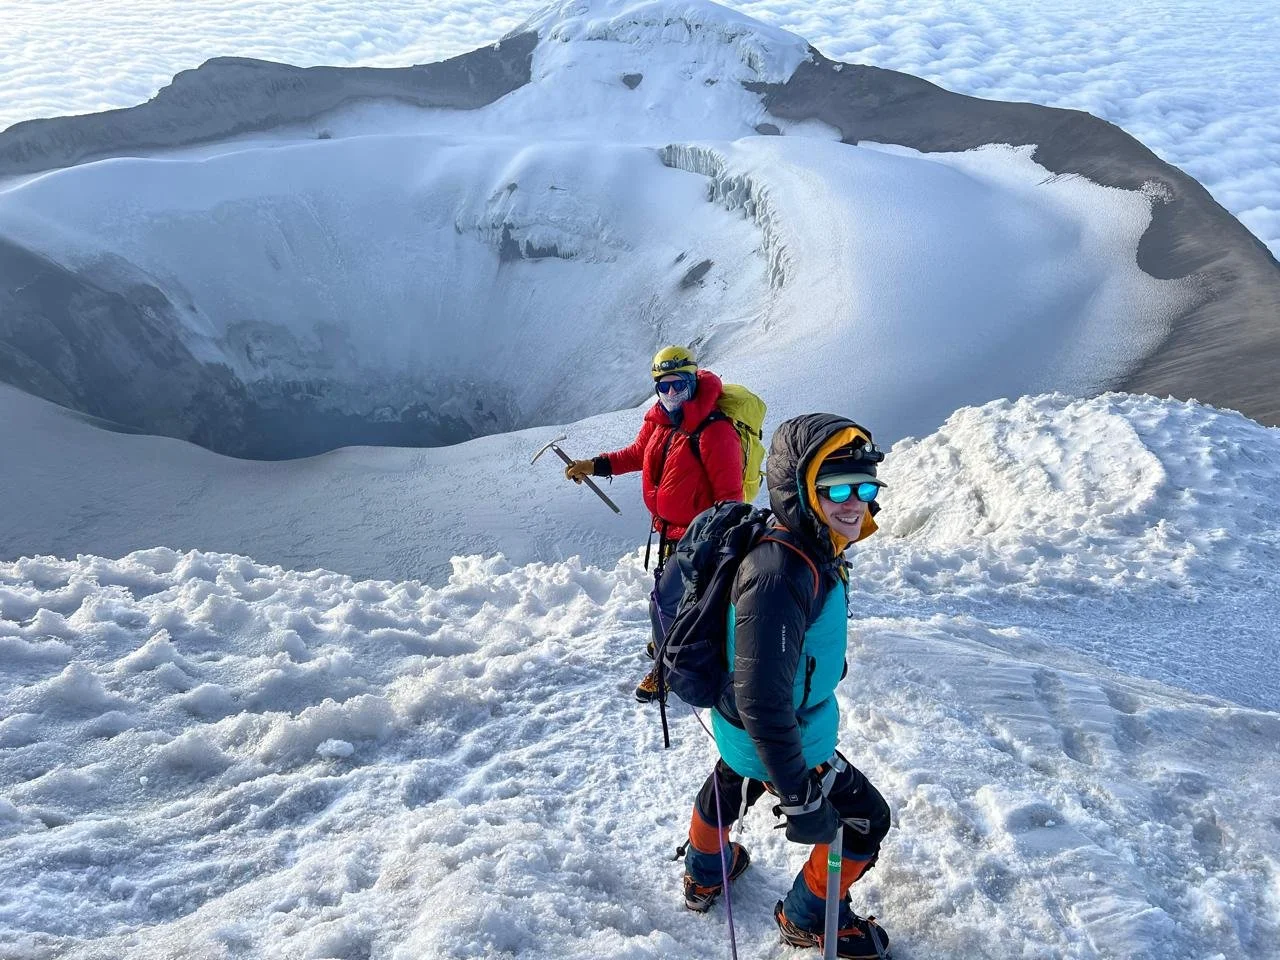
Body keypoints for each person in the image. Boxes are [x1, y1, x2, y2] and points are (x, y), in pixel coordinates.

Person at [679, 413, 893, 959]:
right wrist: (798, 795)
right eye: (837, 488)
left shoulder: (807, 544)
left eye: (865, 486)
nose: (855, 502)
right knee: (865, 819)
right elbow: (764, 698)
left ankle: (705, 872)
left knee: (733, 779)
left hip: (741, 724)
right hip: (781, 732)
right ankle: (806, 916)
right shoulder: (781, 570)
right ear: (803, 489)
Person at [565, 345, 744, 701]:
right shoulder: (659, 422)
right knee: (674, 599)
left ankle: (666, 669)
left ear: (695, 381)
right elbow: (636, 455)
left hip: (699, 538)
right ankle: (672, 640)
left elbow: (730, 497)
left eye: (680, 385)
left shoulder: (715, 431)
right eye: (664, 387)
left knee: (669, 601)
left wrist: (719, 547)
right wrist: (593, 465)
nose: (672, 394)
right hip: (667, 531)